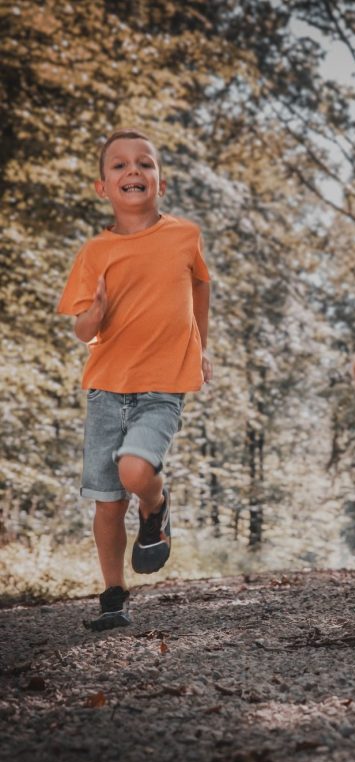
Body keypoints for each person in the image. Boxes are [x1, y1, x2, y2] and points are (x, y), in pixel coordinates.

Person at [57, 129, 212, 630]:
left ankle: (157, 504)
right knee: (106, 501)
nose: (133, 172)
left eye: (144, 164)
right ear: (103, 186)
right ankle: (113, 596)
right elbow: (82, 329)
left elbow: (200, 287)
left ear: (160, 181)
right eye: (119, 165)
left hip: (161, 387)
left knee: (134, 470)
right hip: (106, 389)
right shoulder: (95, 251)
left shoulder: (184, 236)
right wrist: (95, 314)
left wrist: (201, 347)